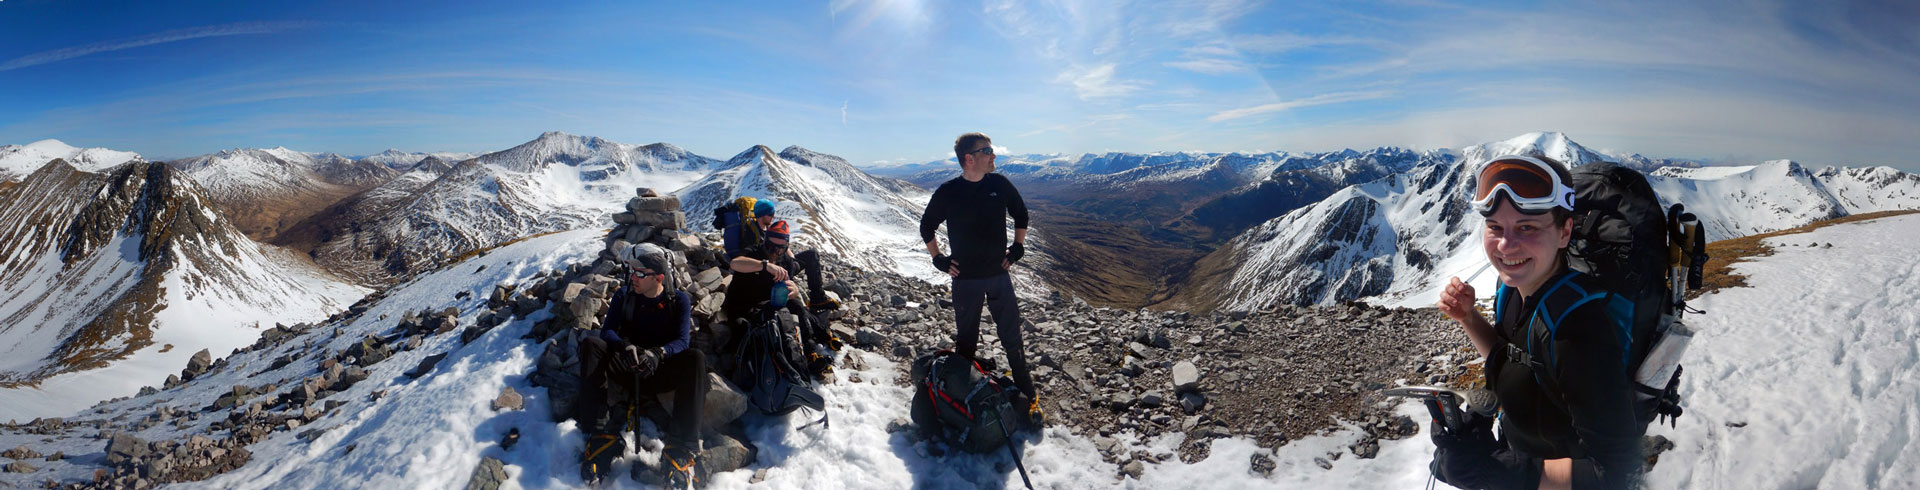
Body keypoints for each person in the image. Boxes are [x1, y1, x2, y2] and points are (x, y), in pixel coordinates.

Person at [1434, 155, 1645, 490]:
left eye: (1527, 227)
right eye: (1495, 227)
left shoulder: (1579, 334)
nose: (1506, 245)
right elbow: (1513, 358)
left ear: (1565, 232)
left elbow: (1616, 474)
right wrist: (1469, 318)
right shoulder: (1513, 289)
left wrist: (1497, 470)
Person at [918, 131, 1040, 425]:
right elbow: (926, 226)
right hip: (966, 280)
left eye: (992, 150)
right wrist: (939, 260)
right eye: (987, 151)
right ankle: (964, 399)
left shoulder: (999, 184)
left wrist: (1018, 248)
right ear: (969, 159)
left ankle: (1028, 395)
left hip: (998, 275)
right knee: (967, 341)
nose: (993, 156)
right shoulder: (949, 192)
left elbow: (1021, 214)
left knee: (1012, 336)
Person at [575, 243, 709, 485]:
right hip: (628, 366)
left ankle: (682, 445)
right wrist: (625, 348)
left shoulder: (678, 300)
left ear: (658, 278)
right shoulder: (624, 296)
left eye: (640, 274)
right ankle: (600, 433)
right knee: (591, 345)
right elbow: (608, 332)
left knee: (695, 359)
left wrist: (659, 353)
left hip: (659, 371)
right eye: (632, 272)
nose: (633, 278)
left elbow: (682, 341)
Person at [721, 218, 839, 378]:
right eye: (770, 246)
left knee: (798, 307)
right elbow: (735, 263)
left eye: (780, 249)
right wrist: (764, 265)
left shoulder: (786, 262)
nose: (774, 252)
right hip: (744, 306)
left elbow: (788, 284)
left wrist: (795, 290)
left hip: (770, 302)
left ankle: (811, 354)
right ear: (765, 242)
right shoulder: (754, 253)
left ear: (786, 248)